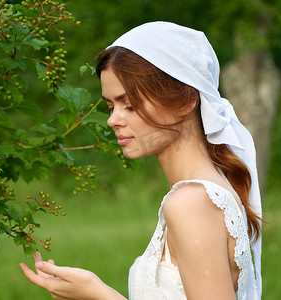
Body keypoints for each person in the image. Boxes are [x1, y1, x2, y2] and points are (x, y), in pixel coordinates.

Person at [19, 21, 263, 300]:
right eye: (111, 106)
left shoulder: (190, 204)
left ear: (185, 101)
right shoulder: (206, 191)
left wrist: (99, 294)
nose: (112, 120)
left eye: (130, 105)